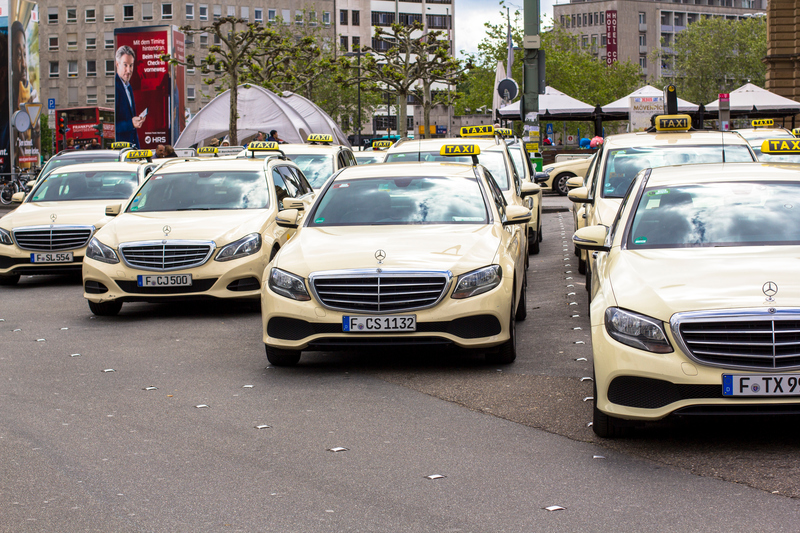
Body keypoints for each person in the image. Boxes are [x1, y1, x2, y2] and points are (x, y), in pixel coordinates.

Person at [114, 45, 143, 148]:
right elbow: (112, 126)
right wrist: (131, 123)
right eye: (125, 65)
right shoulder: (115, 87)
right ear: (117, 64)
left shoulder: (128, 87)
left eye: (131, 65)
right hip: (119, 150)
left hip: (131, 149)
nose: (129, 70)